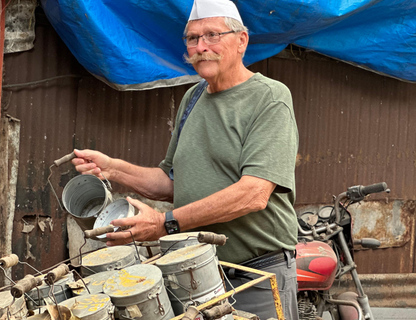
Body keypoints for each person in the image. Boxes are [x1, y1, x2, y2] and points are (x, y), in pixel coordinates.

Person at [72, 0, 299, 319]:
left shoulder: (269, 98)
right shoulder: (193, 99)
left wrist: (165, 223)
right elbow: (172, 182)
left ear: (242, 40)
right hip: (197, 273)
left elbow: (254, 193)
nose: (201, 46)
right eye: (192, 38)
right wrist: (113, 168)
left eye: (212, 35)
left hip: (254, 276)